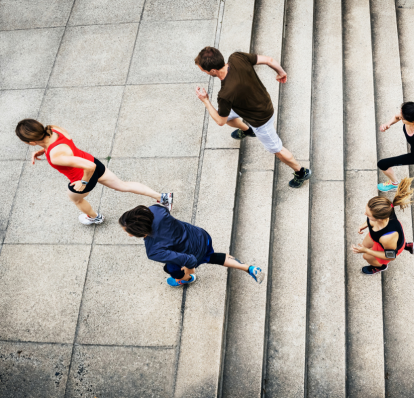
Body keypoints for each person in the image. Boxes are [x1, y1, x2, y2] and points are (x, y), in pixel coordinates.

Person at [194, 46, 312, 188]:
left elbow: (220, 121)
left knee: (277, 150)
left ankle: (301, 172)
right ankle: (247, 130)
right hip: (257, 102)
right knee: (229, 117)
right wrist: (281, 72)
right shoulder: (236, 58)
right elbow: (269, 60)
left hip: (261, 119)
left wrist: (205, 100)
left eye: (203, 70)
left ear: (212, 71)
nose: (203, 71)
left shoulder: (225, 94)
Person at [16, 119, 172, 225]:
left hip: (82, 177)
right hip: (93, 162)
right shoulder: (53, 128)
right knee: (123, 185)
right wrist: (43, 150)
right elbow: (61, 146)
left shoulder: (55, 156)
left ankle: (95, 218)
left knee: (77, 200)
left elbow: (88, 167)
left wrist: (82, 183)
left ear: (30, 142)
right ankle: (163, 197)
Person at [119, 205, 264, 286]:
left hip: (193, 253)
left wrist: (188, 273)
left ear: (139, 232)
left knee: (170, 268)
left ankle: (186, 280)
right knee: (211, 256)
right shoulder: (156, 211)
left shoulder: (153, 250)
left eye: (129, 232)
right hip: (201, 236)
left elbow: (190, 261)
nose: (128, 235)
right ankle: (249, 268)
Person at [352, 178, 414, 275]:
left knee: (366, 256)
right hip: (382, 237)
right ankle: (406, 245)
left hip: (388, 242)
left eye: (368, 215)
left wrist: (366, 251)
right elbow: (372, 218)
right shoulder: (386, 209)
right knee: (365, 244)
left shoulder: (387, 237)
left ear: (379, 219)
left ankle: (381, 267)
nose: (365, 214)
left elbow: (391, 256)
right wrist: (365, 224)